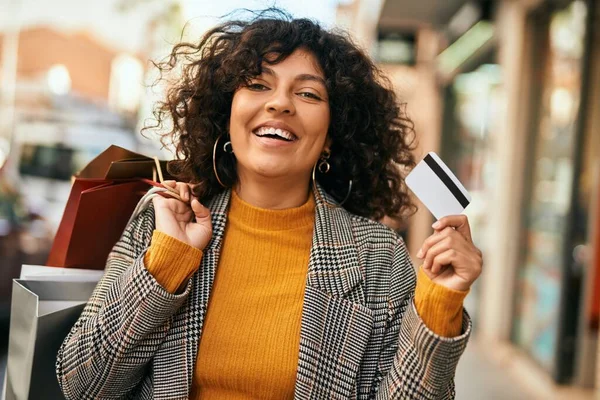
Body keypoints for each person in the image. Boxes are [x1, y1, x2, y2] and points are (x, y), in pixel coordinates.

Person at [56, 10, 483, 400]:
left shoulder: (379, 257)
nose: (279, 103)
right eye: (258, 85)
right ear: (227, 114)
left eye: (310, 95)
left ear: (332, 135)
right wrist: (167, 262)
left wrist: (438, 305)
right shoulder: (164, 218)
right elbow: (82, 384)